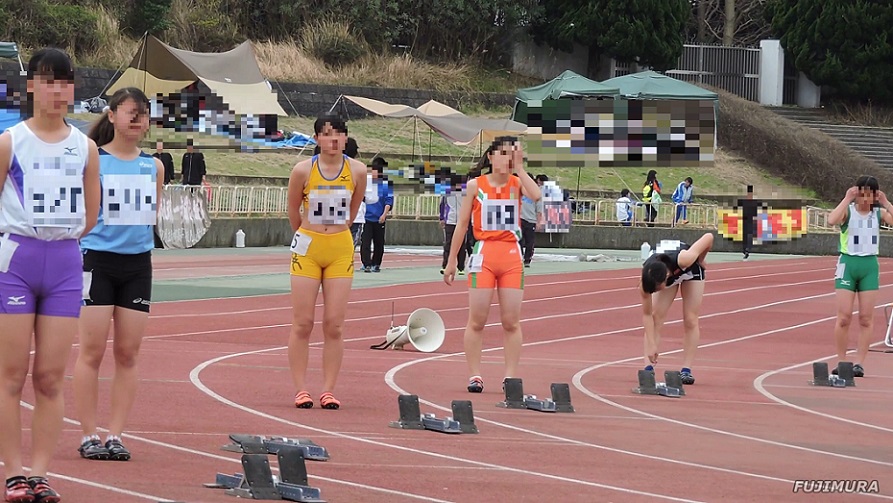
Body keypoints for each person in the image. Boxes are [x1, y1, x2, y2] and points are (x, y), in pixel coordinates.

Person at [0, 48, 101, 503]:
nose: (57, 91)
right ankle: (14, 473)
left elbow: (91, 212)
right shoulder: (9, 141)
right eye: (48, 81)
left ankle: (40, 474)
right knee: (11, 374)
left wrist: (59, 238)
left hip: (63, 262)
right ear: (32, 86)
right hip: (16, 261)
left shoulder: (85, 147)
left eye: (65, 82)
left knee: (50, 377)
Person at [71, 87, 163, 463]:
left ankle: (116, 435)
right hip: (97, 261)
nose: (138, 119)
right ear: (111, 115)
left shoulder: (154, 165)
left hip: (138, 265)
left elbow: (153, 216)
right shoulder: (93, 159)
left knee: (127, 353)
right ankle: (88, 433)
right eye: (131, 112)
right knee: (91, 352)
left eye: (143, 113)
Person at [443, 137, 542, 393]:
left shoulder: (517, 183)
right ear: (490, 157)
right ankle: (475, 374)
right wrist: (452, 259)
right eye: (502, 154)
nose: (506, 159)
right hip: (484, 256)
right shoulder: (476, 185)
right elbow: (462, 224)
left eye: (512, 155)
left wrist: (520, 168)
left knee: (511, 321)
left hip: (511, 256)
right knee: (477, 320)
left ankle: (510, 376)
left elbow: (537, 195)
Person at [286, 113, 366, 409]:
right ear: (316, 138)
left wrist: (335, 230)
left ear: (346, 138)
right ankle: (301, 389)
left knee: (334, 324)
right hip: (308, 247)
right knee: (303, 322)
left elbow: (353, 210)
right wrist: (306, 234)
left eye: (339, 134)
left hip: (340, 248)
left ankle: (329, 389)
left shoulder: (357, 171)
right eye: (326, 134)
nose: (333, 140)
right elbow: (293, 208)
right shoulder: (302, 170)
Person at [827, 176, 893, 378]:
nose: (865, 198)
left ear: (875, 195)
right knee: (844, 317)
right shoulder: (848, 212)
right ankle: (842, 360)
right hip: (848, 264)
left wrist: (886, 202)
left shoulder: (879, 214)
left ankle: (859, 363)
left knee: (865, 318)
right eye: (861, 193)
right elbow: (831, 220)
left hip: (869, 266)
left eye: (870, 194)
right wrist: (847, 199)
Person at [638, 232, 714, 385]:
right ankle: (648, 368)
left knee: (690, 318)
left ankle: (686, 370)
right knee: (656, 317)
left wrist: (701, 259)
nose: (657, 292)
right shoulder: (646, 281)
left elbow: (709, 237)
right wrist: (652, 344)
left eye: (659, 289)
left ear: (666, 277)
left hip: (689, 269)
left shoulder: (686, 258)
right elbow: (647, 316)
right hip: (667, 268)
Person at [360, 157, 393, 273]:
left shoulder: (385, 184)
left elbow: (388, 200)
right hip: (366, 218)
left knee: (379, 243)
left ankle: (376, 263)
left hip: (379, 217)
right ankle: (366, 263)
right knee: (365, 242)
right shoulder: (366, 182)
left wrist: (384, 214)